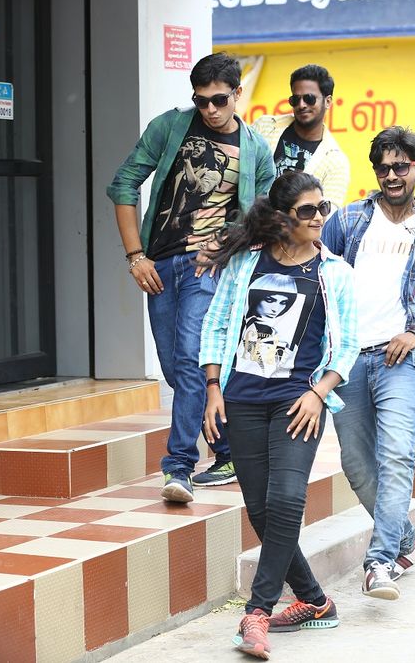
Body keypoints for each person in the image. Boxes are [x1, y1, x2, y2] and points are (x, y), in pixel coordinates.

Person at [200, 171, 358, 660]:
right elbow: (216, 324)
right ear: (284, 217)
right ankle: (314, 600)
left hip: (298, 402)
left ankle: (258, 611)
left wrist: (319, 393)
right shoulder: (247, 263)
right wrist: (212, 388)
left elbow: (348, 345)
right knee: (261, 510)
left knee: (287, 500)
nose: (319, 218)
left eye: (323, 208)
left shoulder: (334, 273)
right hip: (243, 398)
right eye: (308, 210)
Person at [107, 52, 275, 500]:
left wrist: (223, 245)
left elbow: (262, 218)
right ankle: (231, 452)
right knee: (177, 369)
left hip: (209, 268)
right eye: (201, 101)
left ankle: (178, 467)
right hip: (160, 264)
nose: (210, 110)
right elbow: (123, 184)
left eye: (220, 100)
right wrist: (135, 256)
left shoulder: (256, 151)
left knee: (189, 362)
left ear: (237, 94)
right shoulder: (170, 127)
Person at [321, 126, 415, 600]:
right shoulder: (346, 222)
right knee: (356, 463)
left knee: (396, 455)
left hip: (404, 358)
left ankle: (380, 560)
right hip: (347, 359)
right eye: (383, 167)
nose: (391, 175)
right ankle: (407, 543)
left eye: (401, 166)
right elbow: (315, 273)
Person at [252, 64, 350, 210]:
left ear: (328, 101)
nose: (301, 105)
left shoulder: (336, 161)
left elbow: (328, 214)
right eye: (295, 99)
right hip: (249, 220)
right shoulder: (264, 127)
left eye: (309, 98)